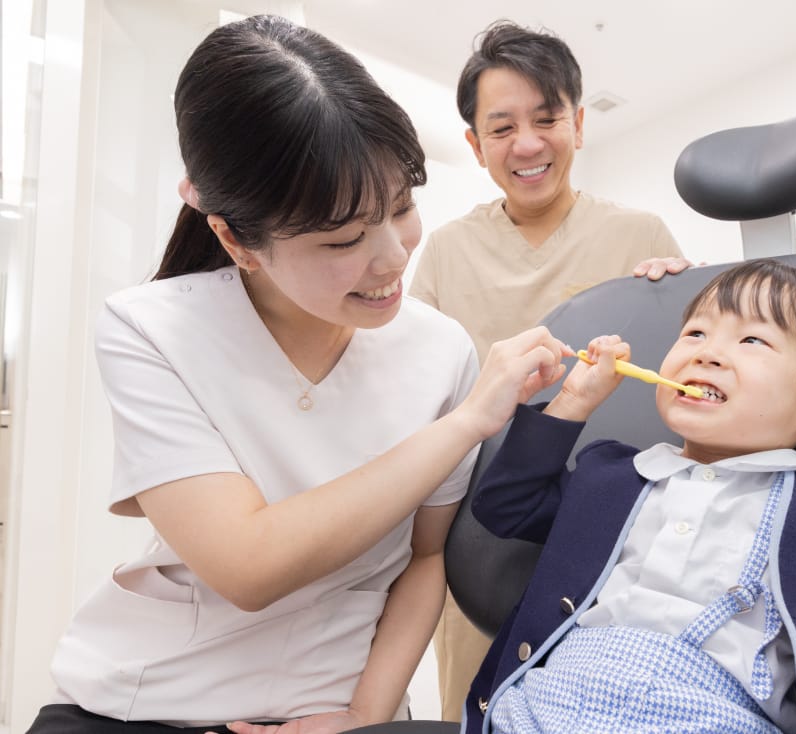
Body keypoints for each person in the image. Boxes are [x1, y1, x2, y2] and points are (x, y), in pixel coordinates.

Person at [25, 15, 571, 734]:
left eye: (402, 207)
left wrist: (361, 718)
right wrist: (468, 422)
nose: (392, 256)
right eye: (344, 239)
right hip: (149, 702)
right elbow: (248, 565)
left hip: (339, 710)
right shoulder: (150, 328)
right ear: (234, 238)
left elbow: (425, 559)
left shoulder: (438, 349)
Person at [464, 259, 796, 733]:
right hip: (554, 703)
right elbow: (505, 505)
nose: (706, 354)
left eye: (752, 340)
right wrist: (574, 399)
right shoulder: (611, 474)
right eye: (695, 333)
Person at [408, 20, 691, 718]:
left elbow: (693, 381)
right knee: (480, 704)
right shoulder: (446, 251)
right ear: (474, 146)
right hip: (481, 529)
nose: (528, 144)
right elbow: (413, 395)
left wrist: (679, 295)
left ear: (579, 124)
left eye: (547, 118)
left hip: (611, 530)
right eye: (501, 127)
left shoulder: (640, 237)